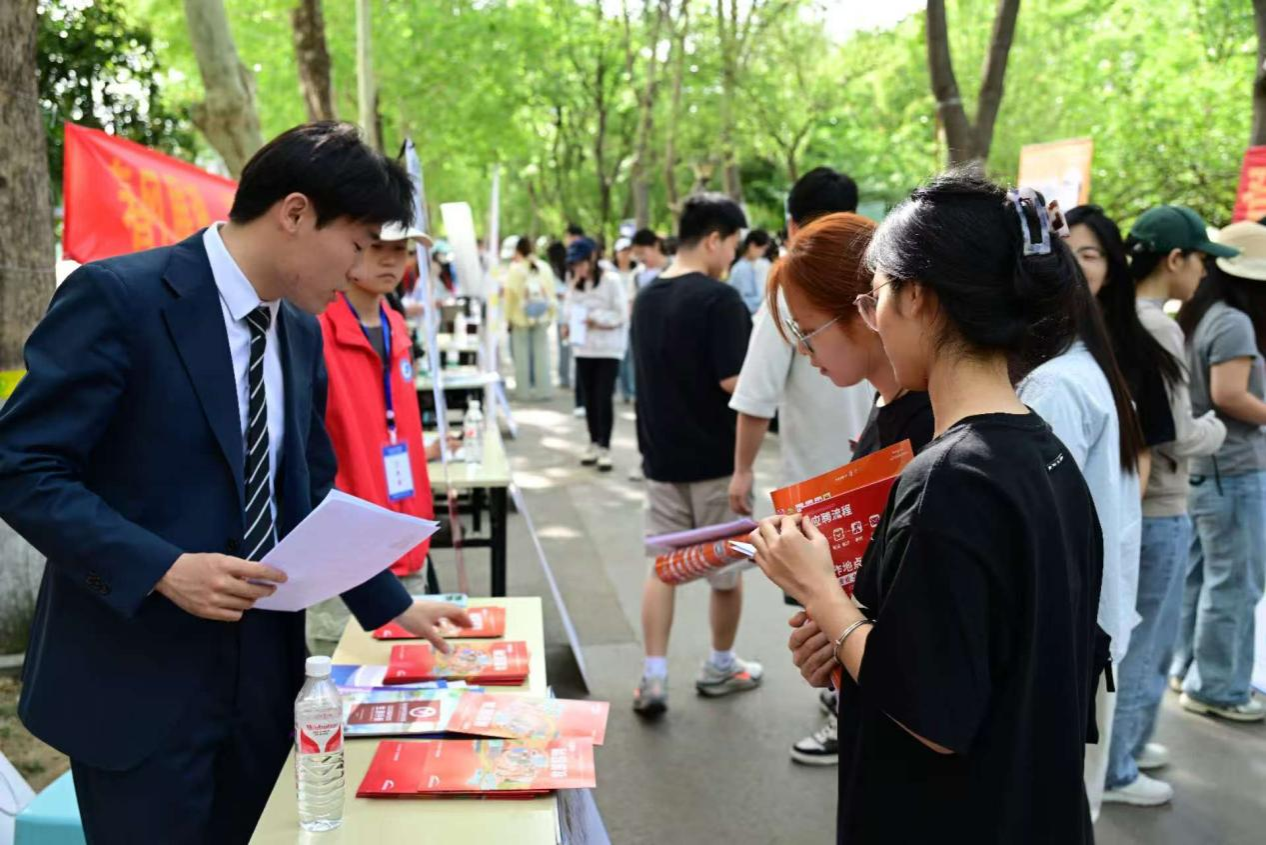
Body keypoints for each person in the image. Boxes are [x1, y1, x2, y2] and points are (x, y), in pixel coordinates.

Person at [0, 122, 471, 844]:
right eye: (355, 244)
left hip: (264, 679)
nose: (359, 268)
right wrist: (161, 568)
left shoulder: (299, 332)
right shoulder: (121, 299)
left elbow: (305, 493)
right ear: (295, 213)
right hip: (139, 678)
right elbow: (22, 464)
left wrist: (392, 605)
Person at [751, 171, 1105, 844]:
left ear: (918, 297)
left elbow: (932, 711)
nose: (874, 317)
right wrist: (848, 630)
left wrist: (820, 592)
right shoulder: (1044, 453)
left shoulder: (950, 477)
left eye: (878, 294)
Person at [759, 212, 936, 766]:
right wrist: (832, 636)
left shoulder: (933, 430)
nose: (803, 351)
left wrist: (824, 603)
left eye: (807, 330)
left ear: (865, 309)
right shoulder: (886, 404)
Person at [1075, 205, 1227, 806]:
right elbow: (1175, 434)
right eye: (1201, 259)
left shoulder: (1107, 323)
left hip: (1137, 501)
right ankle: (1119, 765)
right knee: (1143, 645)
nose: (1205, 273)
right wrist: (1219, 428)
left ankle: (1126, 747)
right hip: (1158, 504)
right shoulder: (1153, 327)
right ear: (1175, 259)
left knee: (1134, 640)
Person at [726, 167, 877, 764]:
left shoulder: (789, 290)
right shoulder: (877, 280)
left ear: (792, 223)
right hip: (869, 480)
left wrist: (743, 472)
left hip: (825, 492)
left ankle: (848, 714)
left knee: (832, 609)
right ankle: (846, 706)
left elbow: (756, 395)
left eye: (812, 337)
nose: (811, 352)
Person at [1015, 197, 1145, 824]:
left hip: (1073, 634)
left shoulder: (1053, 386)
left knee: (1052, 806)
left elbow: (1040, 525)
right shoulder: (1084, 365)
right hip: (1095, 623)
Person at [630, 193, 759, 716]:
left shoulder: (646, 297)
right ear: (713, 239)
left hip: (661, 459)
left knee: (663, 569)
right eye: (731, 245)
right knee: (725, 572)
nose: (731, 256)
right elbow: (736, 382)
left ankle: (654, 675)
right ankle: (720, 664)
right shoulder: (719, 300)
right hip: (716, 462)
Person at [307, 221, 459, 656]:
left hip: (406, 540)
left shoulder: (396, 324)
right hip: (346, 554)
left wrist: (423, 450)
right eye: (378, 247)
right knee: (345, 681)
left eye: (402, 249)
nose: (392, 260)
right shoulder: (314, 330)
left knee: (412, 681)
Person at [1171, 220, 1266, 722]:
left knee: (1202, 578)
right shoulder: (1234, 322)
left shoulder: (1202, 315)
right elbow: (1229, 394)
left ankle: (1190, 670)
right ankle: (1218, 688)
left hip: (1207, 468)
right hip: (1234, 469)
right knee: (1235, 583)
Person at [561, 237, 627, 471]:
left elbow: (621, 314)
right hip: (583, 349)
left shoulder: (611, 281)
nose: (578, 269)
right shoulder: (574, 283)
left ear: (592, 259)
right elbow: (568, 310)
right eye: (574, 265)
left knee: (603, 397)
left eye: (581, 263)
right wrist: (567, 325)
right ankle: (593, 441)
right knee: (589, 398)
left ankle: (605, 446)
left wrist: (596, 319)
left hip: (608, 350)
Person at [504, 236, 557, 402]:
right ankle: (543, 390)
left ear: (518, 251)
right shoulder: (544, 267)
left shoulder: (515, 269)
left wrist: (508, 318)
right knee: (542, 356)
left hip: (520, 318)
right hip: (542, 316)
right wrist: (551, 314)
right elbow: (551, 293)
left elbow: (509, 297)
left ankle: (523, 391)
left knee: (521, 357)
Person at [613, 236, 638, 403]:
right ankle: (625, 390)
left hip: (632, 320)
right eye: (623, 251)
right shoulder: (611, 274)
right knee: (621, 357)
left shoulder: (636, 273)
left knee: (632, 357)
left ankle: (633, 390)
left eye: (628, 251)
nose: (626, 254)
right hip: (616, 322)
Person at [729, 229, 773, 314]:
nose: (763, 253)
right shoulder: (741, 269)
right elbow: (747, 301)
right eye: (762, 249)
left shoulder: (749, 265)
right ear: (752, 246)